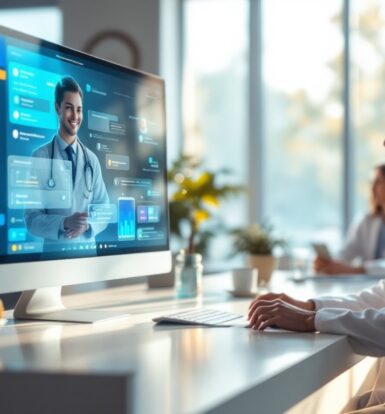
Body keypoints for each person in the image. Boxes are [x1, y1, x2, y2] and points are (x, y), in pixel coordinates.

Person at [25, 76, 108, 248]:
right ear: (57, 108)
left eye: (79, 109)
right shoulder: (40, 157)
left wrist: (88, 225)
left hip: (86, 258)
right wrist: (64, 222)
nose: (75, 116)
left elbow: (104, 209)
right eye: (69, 108)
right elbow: (31, 219)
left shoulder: (91, 160)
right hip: (54, 259)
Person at [314, 164, 385, 277]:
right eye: (372, 183)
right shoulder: (366, 220)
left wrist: (356, 269)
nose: (372, 188)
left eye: (378, 182)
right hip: (367, 286)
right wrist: (329, 263)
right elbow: (347, 251)